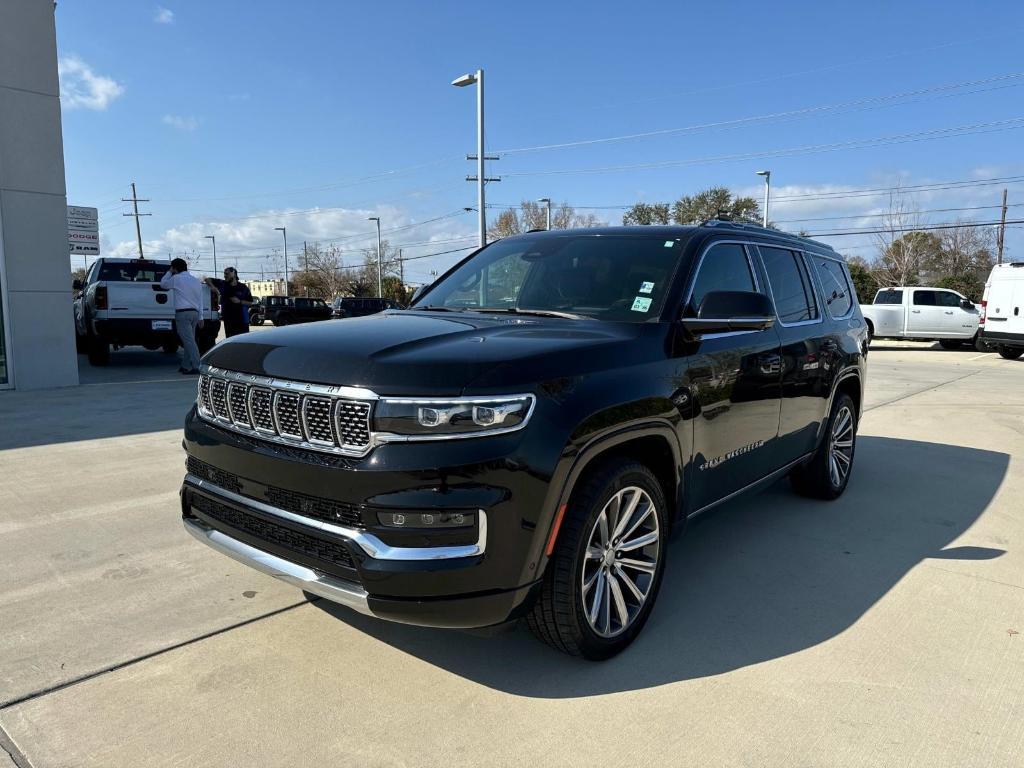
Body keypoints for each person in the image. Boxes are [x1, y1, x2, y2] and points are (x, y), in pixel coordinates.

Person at [160, 258, 204, 374]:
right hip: (194, 313)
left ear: (175, 268)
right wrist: (201, 317)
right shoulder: (196, 280)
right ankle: (185, 365)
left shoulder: (176, 278)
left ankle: (197, 366)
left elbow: (163, 284)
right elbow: (200, 300)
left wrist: (169, 272)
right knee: (190, 340)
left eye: (172, 268)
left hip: (183, 313)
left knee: (189, 341)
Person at [204, 267, 253, 338]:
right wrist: (213, 287)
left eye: (227, 274)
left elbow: (250, 303)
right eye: (224, 274)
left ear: (234, 274)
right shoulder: (222, 284)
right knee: (230, 342)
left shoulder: (243, 287)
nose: (225, 276)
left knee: (243, 342)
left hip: (242, 321)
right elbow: (207, 279)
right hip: (228, 321)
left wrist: (240, 301)